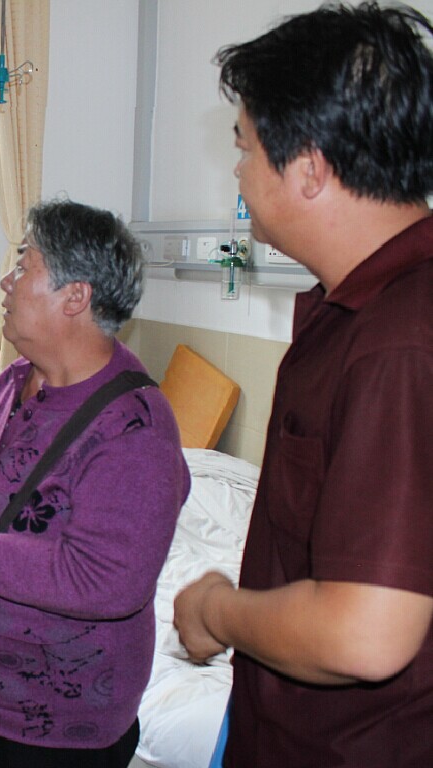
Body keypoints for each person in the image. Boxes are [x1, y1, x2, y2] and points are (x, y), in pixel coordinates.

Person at [172, 4, 433, 766]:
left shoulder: (398, 342)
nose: (238, 173)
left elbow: (365, 634)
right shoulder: (355, 313)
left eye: (245, 147)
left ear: (310, 168)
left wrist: (218, 609)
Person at [0, 199, 190, 768]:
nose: (6, 282)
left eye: (23, 264)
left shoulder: (135, 427)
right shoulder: (12, 383)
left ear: (75, 296)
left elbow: (108, 580)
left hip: (61, 724)